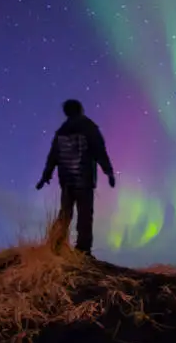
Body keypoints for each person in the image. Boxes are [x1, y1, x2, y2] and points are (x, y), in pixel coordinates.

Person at [36, 99, 116, 255]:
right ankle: (83, 250)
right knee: (85, 215)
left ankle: (55, 245)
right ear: (80, 109)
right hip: (84, 180)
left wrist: (45, 176)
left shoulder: (61, 131)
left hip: (66, 181)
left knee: (65, 213)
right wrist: (109, 172)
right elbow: (99, 151)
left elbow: (53, 156)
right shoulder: (89, 127)